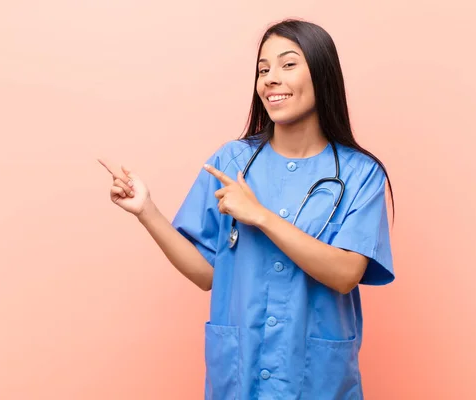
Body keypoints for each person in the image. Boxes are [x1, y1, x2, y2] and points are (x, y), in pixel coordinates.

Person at [99, 18, 395, 400]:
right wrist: (146, 211)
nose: (271, 78)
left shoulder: (360, 174)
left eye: (288, 64)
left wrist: (260, 216)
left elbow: (345, 274)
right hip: (240, 379)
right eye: (263, 69)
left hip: (316, 380)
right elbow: (207, 272)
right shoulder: (232, 161)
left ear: (322, 74)